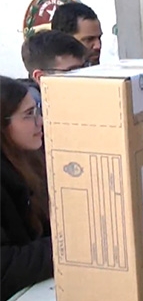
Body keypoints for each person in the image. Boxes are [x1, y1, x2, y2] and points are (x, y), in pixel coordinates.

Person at [1, 76, 52, 300]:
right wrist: (70, 245)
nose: (40, 122)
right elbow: (5, 268)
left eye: (37, 110)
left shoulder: (28, 159)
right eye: (29, 115)